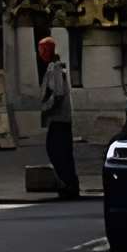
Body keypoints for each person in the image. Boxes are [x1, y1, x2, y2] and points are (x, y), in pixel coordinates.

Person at [38, 35, 76, 200]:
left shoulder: (55, 68)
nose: (40, 54)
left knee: (57, 151)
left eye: (41, 50)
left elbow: (58, 93)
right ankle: (68, 184)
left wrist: (46, 107)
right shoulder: (54, 67)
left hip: (59, 118)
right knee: (60, 152)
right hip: (59, 119)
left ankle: (69, 184)